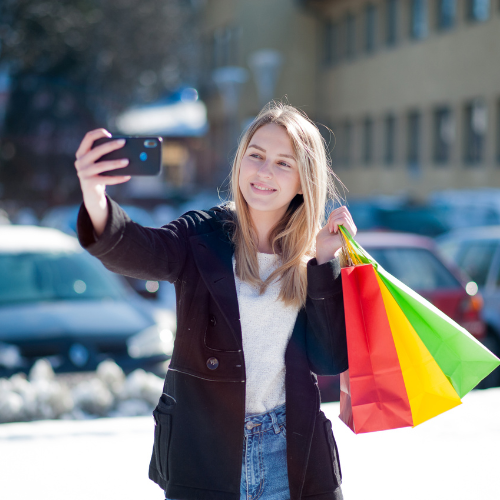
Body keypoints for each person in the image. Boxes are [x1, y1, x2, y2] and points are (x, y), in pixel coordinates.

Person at [74, 102, 357, 500]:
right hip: (205, 454)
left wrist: (325, 262)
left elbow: (328, 360)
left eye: (282, 163)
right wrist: (94, 195)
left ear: (302, 181)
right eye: (255, 156)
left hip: (291, 456)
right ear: (240, 162)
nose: (263, 171)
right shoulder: (200, 237)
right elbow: (140, 249)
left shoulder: (310, 256)